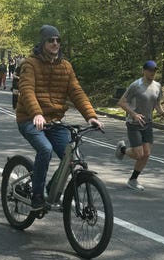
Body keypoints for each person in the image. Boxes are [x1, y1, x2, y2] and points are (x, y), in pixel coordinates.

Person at [16, 25, 101, 213]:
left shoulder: (66, 66)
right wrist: (36, 113)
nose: (55, 43)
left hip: (54, 121)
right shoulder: (30, 64)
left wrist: (91, 116)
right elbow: (27, 90)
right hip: (30, 119)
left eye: (58, 40)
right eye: (50, 40)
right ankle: (37, 195)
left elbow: (76, 92)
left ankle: (50, 191)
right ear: (43, 42)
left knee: (72, 156)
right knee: (45, 149)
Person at [114, 59, 164, 191]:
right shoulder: (136, 85)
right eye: (150, 70)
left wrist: (163, 113)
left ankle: (133, 180)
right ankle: (122, 150)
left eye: (154, 70)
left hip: (148, 123)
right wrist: (133, 114)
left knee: (147, 154)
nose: (152, 73)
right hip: (134, 123)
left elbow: (157, 104)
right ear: (144, 71)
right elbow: (122, 102)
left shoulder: (157, 86)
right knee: (139, 155)